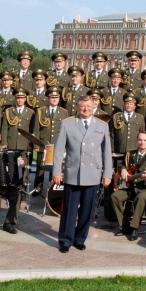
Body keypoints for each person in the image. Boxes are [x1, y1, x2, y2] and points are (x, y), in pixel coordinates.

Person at [52, 96, 113, 253]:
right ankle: (66, 239)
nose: (86, 109)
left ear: (94, 106)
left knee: (87, 210)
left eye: (88, 106)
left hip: (92, 174)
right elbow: (58, 150)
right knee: (69, 210)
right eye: (82, 106)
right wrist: (57, 171)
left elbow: (107, 152)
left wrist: (107, 174)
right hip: (74, 173)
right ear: (77, 107)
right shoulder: (67, 123)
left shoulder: (102, 125)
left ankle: (80, 239)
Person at [109, 131, 146, 241]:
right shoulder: (131, 154)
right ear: (136, 141)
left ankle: (134, 227)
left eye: (145, 140)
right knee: (115, 196)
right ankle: (125, 225)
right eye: (140, 140)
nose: (142, 142)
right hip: (131, 187)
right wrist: (123, 169)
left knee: (141, 197)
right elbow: (122, 164)